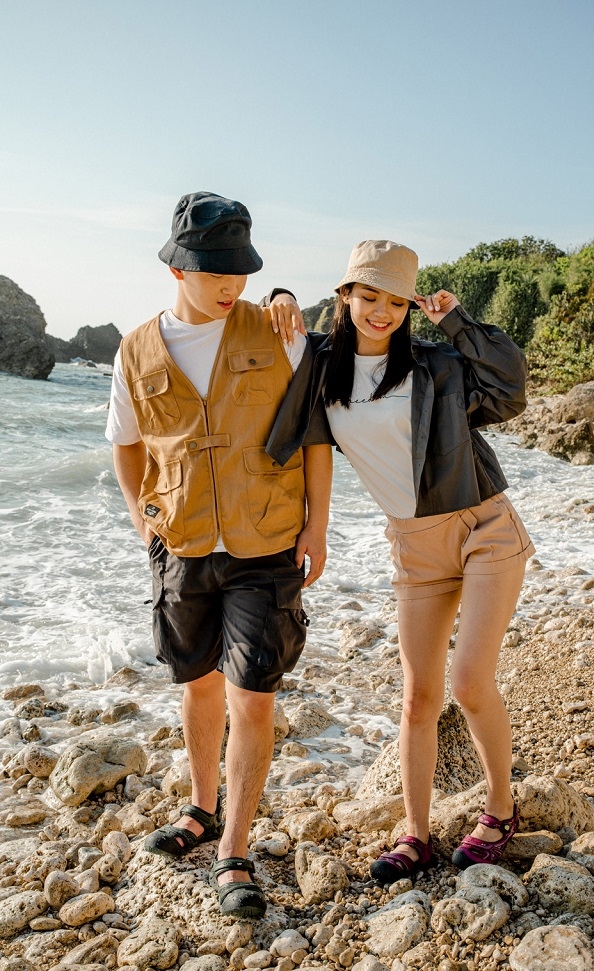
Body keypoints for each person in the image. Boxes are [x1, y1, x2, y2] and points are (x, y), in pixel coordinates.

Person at [267, 239, 534, 880]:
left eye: (394, 301)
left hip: (484, 528)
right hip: (414, 546)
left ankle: (501, 807)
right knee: (418, 698)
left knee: (468, 682)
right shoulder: (321, 363)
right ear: (346, 296)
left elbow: (510, 384)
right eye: (369, 297)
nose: (381, 312)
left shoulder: (434, 363)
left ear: (408, 307)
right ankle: (415, 834)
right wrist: (278, 294)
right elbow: (310, 441)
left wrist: (456, 321)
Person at [105, 191, 332, 918]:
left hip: (267, 542)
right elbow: (126, 444)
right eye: (216, 271)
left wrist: (318, 524)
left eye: (241, 269)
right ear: (179, 269)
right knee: (197, 683)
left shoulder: (279, 331)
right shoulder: (136, 349)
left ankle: (235, 848)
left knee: (252, 695)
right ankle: (200, 811)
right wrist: (142, 519)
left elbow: (315, 434)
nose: (232, 283)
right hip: (183, 543)